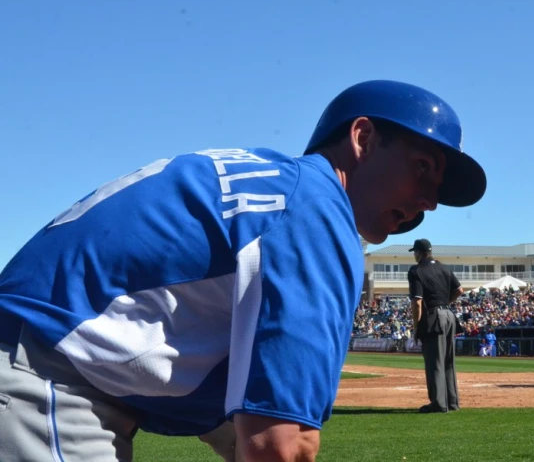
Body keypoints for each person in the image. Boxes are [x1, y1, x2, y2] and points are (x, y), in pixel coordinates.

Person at [0, 79, 487, 461]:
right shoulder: (316, 211)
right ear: (362, 138)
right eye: (422, 167)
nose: (429, 202)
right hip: (44, 365)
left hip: (44, 347)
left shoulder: (276, 185)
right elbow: (280, 445)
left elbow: (245, 430)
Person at [408, 238, 464, 413]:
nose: (414, 256)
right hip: (448, 315)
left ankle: (438, 403)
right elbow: (460, 290)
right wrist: (445, 302)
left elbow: (417, 302)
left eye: (415, 252)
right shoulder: (444, 267)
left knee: (434, 361)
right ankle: (452, 402)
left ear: (419, 253)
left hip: (433, 317)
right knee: (448, 361)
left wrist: (416, 327)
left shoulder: (416, 270)